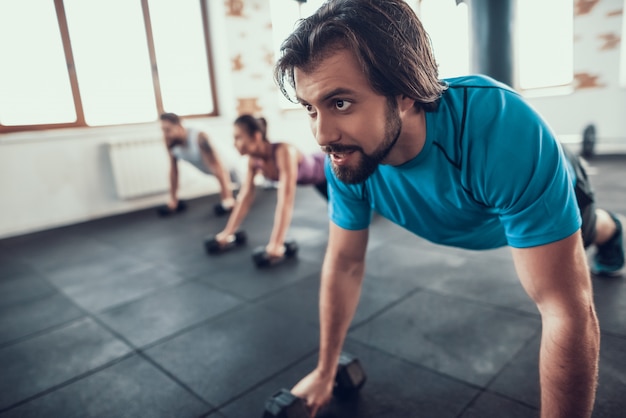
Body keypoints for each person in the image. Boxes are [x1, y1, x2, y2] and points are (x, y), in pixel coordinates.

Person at [273, 0, 624, 417]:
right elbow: (345, 263)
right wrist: (325, 370)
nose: (322, 133)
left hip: (552, 178)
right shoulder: (347, 157)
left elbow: (566, 309)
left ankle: (613, 230)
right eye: (310, 108)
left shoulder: (500, 130)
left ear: (404, 93)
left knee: (587, 231)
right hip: (485, 212)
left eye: (341, 103)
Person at [215, 114, 327, 258]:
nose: (234, 143)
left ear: (256, 136)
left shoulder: (284, 151)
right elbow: (245, 197)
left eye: (238, 137)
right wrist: (227, 233)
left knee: (349, 217)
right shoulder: (253, 161)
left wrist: (276, 243)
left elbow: (285, 200)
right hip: (315, 180)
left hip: (329, 171)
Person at [159, 112, 236, 215]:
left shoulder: (199, 137)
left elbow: (218, 168)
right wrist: (173, 200)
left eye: (168, 130)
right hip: (213, 171)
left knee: (250, 185)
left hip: (233, 167)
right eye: (163, 130)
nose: (165, 135)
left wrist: (227, 199)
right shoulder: (170, 142)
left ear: (180, 126)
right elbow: (174, 171)